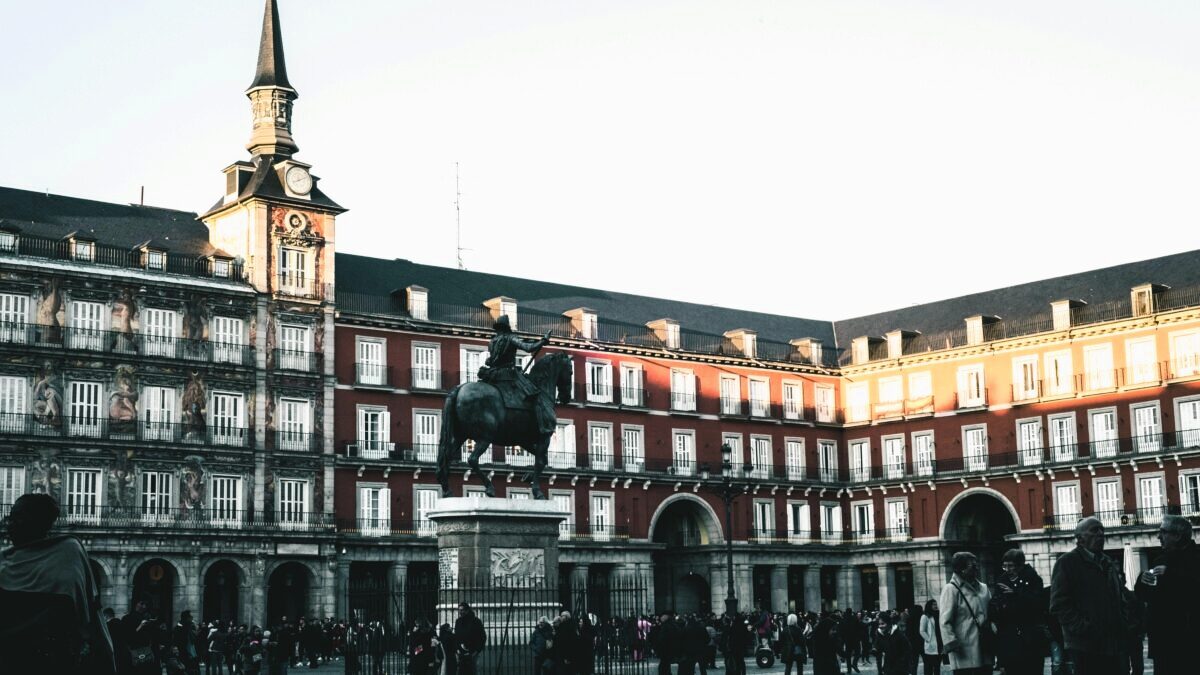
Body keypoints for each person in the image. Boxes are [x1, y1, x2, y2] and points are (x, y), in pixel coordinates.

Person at [0, 493, 116, 675]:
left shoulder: (68, 553)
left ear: (37, 521)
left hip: (52, 661)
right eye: (10, 518)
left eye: (17, 518)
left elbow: (81, 611)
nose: (9, 524)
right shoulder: (5, 559)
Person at [1050, 516, 1125, 675]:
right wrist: (1084, 628)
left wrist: (1125, 624)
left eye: (1102, 530)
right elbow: (1059, 604)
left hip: (1113, 643)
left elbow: (1119, 596)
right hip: (1085, 646)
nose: (1100, 534)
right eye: (1094, 530)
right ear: (1080, 538)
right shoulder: (1067, 562)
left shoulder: (1107, 562)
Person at [1134, 514, 1200, 675]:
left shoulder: (1196, 558)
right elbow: (1146, 597)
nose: (1159, 537)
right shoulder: (1160, 560)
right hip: (1162, 642)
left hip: (1189, 642)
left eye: (1163, 532)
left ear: (1177, 536)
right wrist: (1142, 581)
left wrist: (1171, 575)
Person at [479, 316, 555, 434]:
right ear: (507, 327)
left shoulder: (492, 341)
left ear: (498, 328)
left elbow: (492, 359)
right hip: (508, 374)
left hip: (493, 375)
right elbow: (528, 348)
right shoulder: (511, 338)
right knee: (535, 394)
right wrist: (543, 341)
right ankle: (542, 426)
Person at [990, 549, 1048, 675]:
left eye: (1010, 566)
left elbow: (1038, 603)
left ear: (1020, 565)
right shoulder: (1002, 580)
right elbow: (995, 604)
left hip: (1030, 636)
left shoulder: (1033, 579)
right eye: (1004, 566)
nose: (1007, 569)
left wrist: (1015, 595)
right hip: (1009, 636)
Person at [938, 551, 992, 675]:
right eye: (972, 566)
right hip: (964, 652)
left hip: (985, 647)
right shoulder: (951, 589)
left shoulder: (984, 588)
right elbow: (945, 621)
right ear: (961, 569)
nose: (977, 568)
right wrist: (951, 643)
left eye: (976, 565)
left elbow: (992, 613)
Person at [454, 602, 486, 675]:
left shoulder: (476, 621)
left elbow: (482, 637)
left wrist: (477, 651)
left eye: (462, 610)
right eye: (459, 610)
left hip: (473, 653)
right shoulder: (458, 621)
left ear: (467, 610)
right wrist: (457, 650)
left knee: (473, 671)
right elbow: (456, 637)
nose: (460, 612)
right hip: (461, 654)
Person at [918, 600, 944, 675]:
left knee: (937, 667)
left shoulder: (938, 615)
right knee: (928, 668)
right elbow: (922, 631)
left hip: (939, 644)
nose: (935, 606)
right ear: (929, 606)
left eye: (936, 604)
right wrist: (928, 639)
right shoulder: (925, 616)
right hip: (930, 645)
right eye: (933, 604)